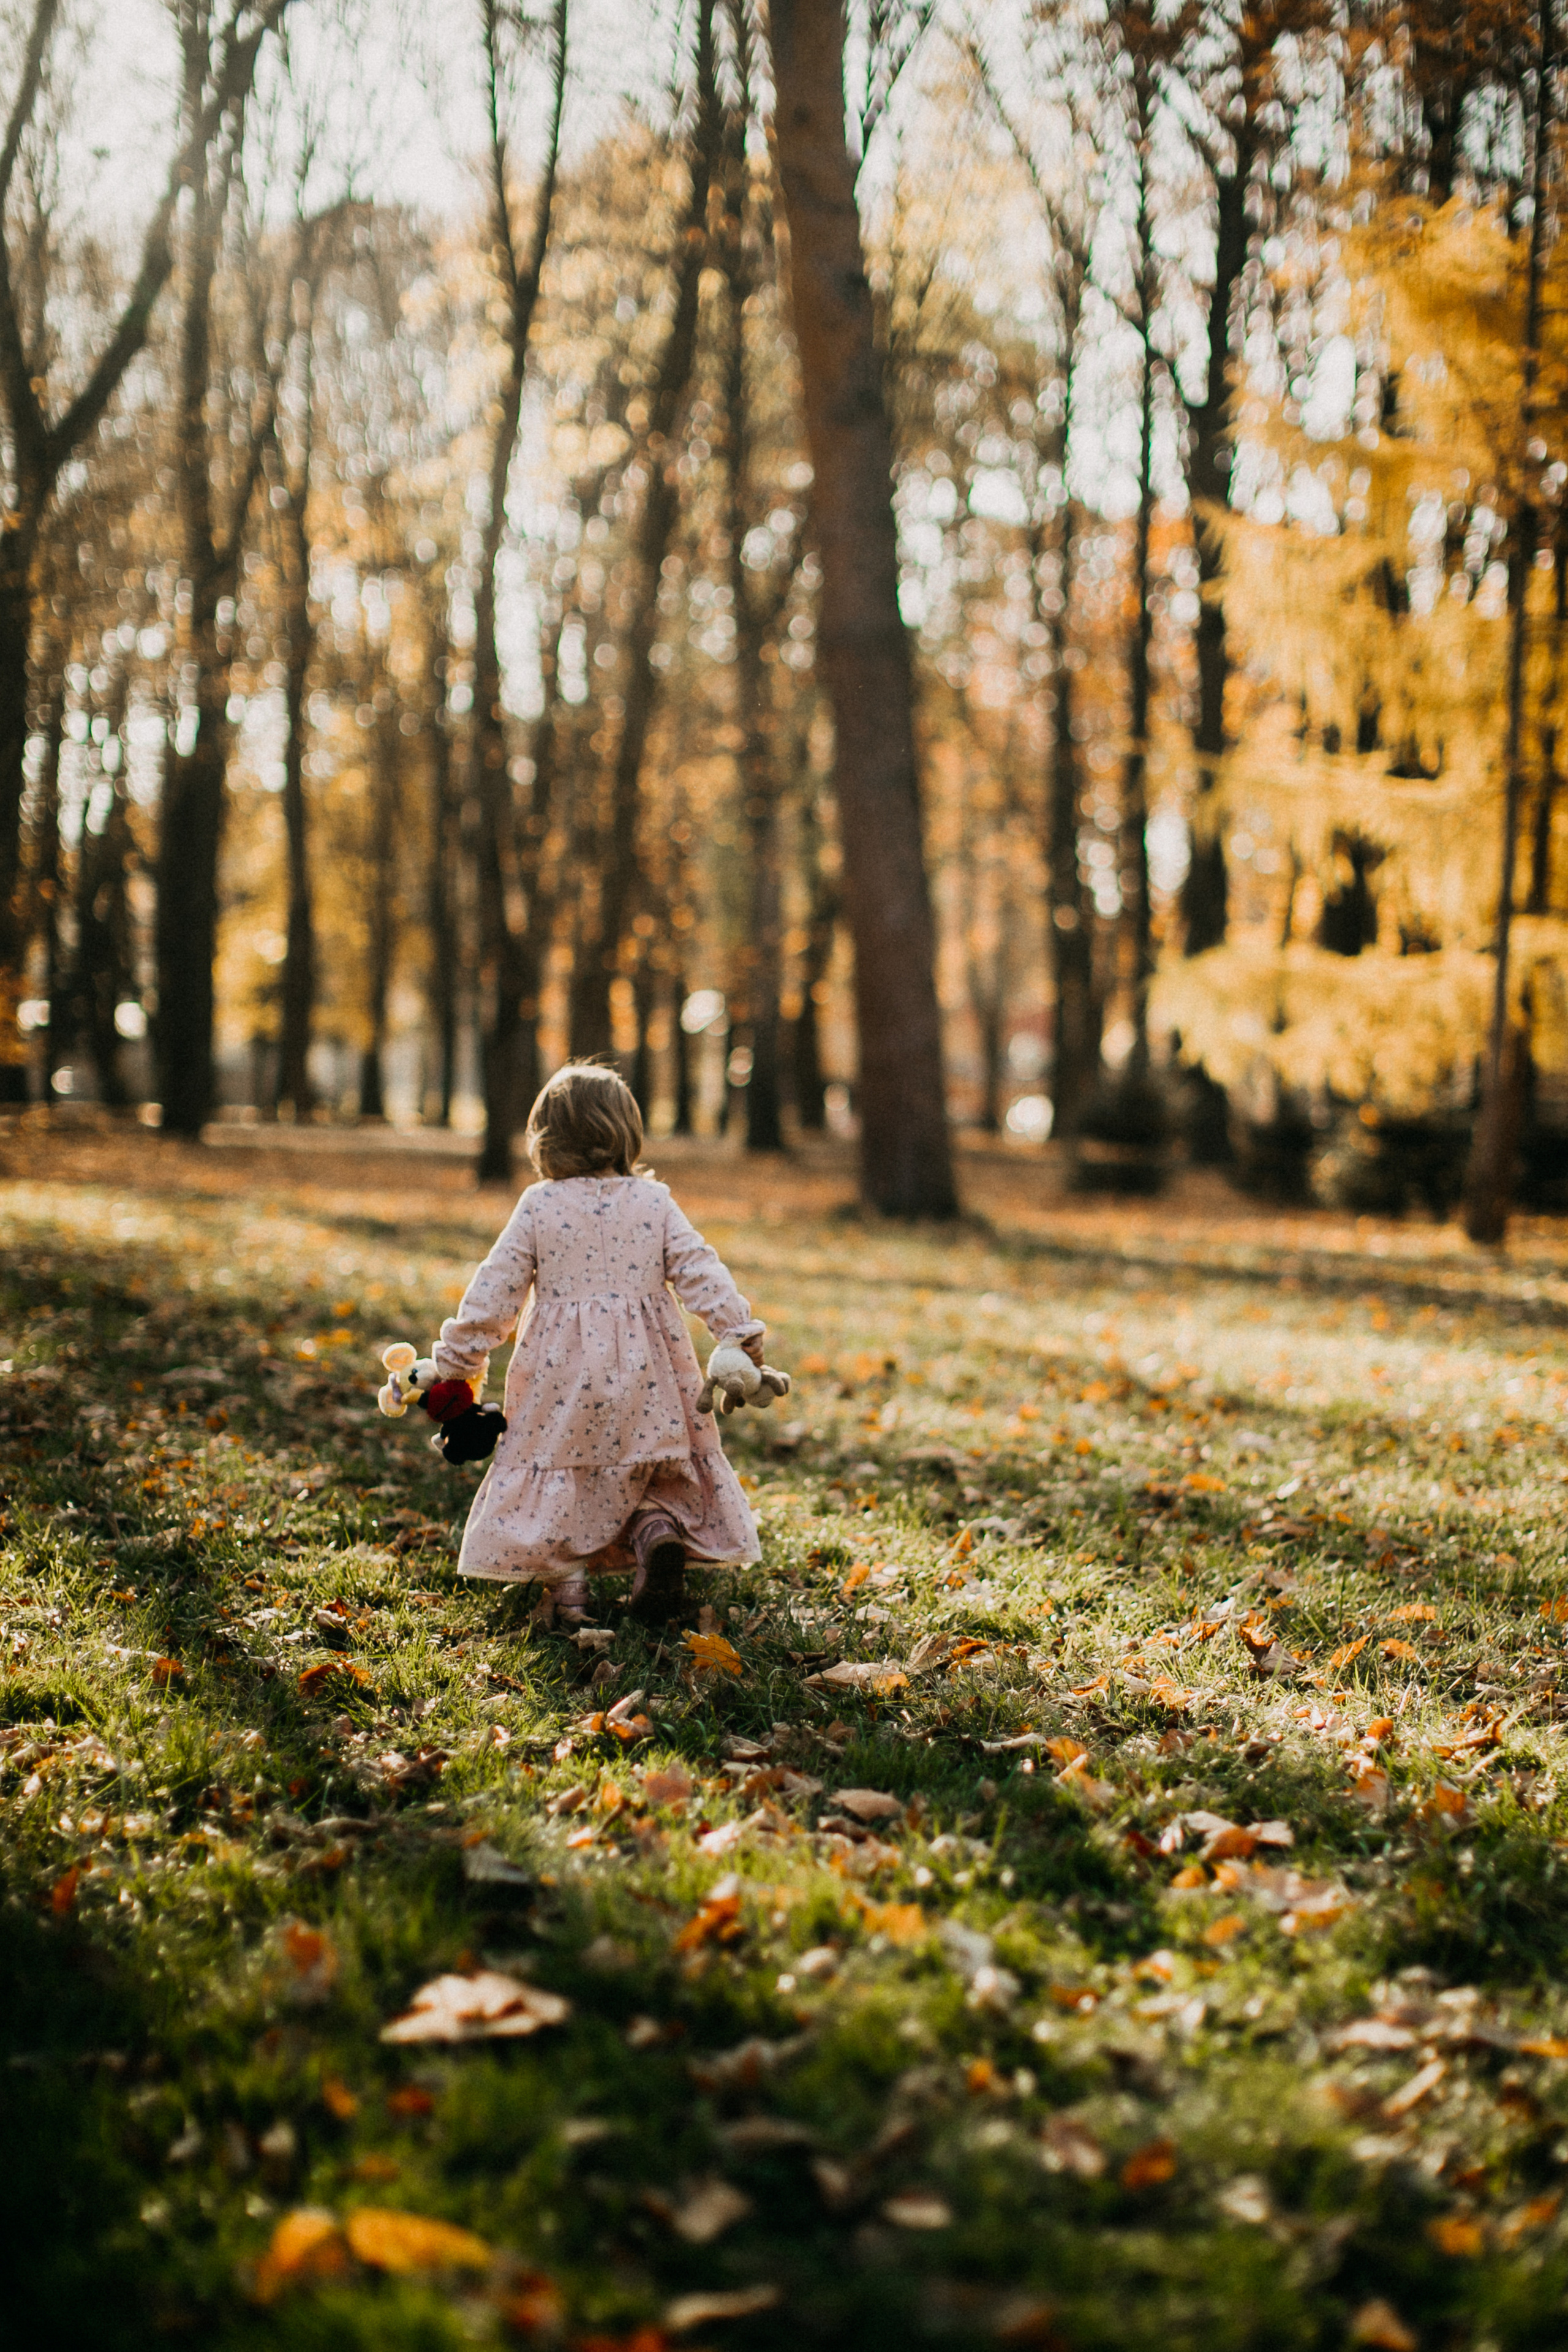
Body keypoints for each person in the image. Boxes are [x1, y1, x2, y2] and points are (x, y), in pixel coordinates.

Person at [429, 1062, 767, 1623]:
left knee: (563, 1473)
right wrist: (737, 1329)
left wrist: (457, 1360)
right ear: (625, 1133)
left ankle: (572, 1596)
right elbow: (698, 1268)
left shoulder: (539, 1204)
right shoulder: (654, 1201)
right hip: (650, 1373)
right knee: (647, 1464)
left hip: (561, 1378)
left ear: (545, 1139)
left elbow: (495, 1291)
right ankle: (655, 1531)